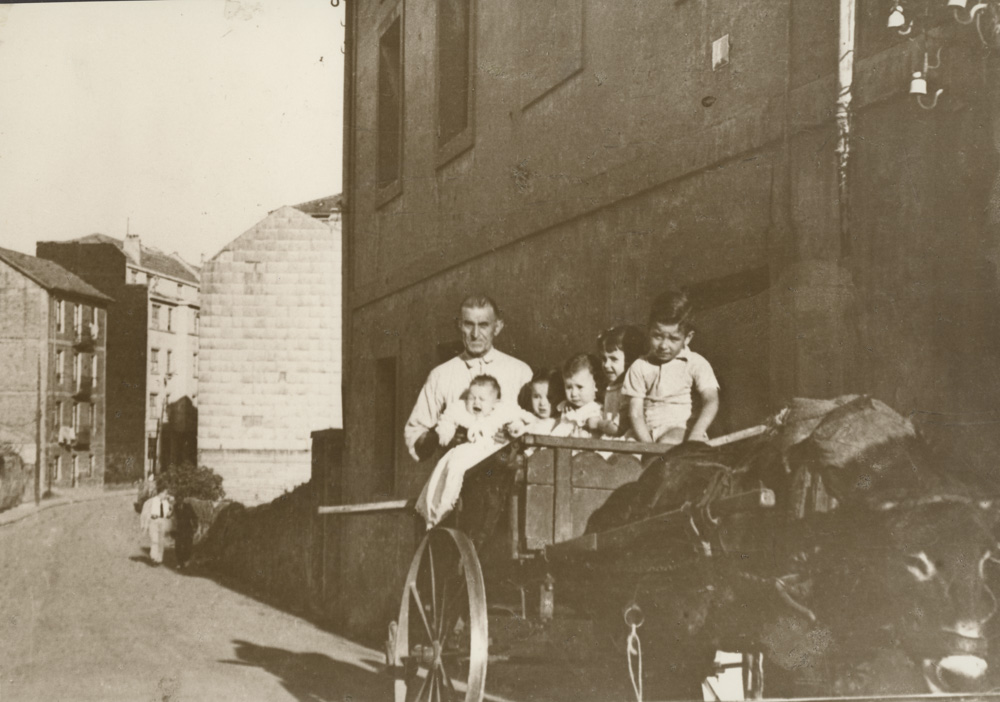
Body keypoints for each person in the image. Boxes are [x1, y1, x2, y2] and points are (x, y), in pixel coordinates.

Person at [404, 295, 533, 462]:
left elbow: (540, 425)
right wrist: (441, 439)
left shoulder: (520, 372)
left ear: (498, 326)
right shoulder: (441, 375)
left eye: (484, 325)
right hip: (457, 474)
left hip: (506, 478)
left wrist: (513, 437)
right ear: (459, 325)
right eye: (468, 324)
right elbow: (414, 433)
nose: (475, 334)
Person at [415, 375, 535, 527]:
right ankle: (445, 506)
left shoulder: (502, 410)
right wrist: (445, 434)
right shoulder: (460, 409)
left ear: (494, 402)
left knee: (494, 477)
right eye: (472, 398)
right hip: (468, 452)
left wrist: (515, 428)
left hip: (492, 455)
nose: (476, 402)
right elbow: (446, 421)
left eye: (482, 399)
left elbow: (526, 419)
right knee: (453, 469)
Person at [623, 290, 720, 446]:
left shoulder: (695, 363)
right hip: (644, 434)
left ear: (687, 338)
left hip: (680, 431)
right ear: (648, 331)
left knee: (670, 442)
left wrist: (695, 435)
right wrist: (648, 446)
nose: (663, 345)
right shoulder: (640, 367)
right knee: (622, 460)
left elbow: (711, 400)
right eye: (657, 336)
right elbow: (635, 413)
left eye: (673, 339)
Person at [587, 325, 646, 438]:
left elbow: (618, 428)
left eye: (613, 359)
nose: (606, 365)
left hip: (623, 441)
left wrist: (596, 423)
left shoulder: (629, 388)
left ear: (629, 360)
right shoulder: (611, 386)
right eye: (604, 359)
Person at [550, 354, 604, 439]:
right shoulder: (566, 407)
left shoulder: (595, 411)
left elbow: (595, 438)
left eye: (580, 387)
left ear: (595, 385)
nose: (573, 394)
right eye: (569, 387)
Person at [511, 368, 564, 436]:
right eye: (536, 396)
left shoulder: (563, 422)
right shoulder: (526, 420)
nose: (542, 403)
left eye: (549, 398)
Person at [141, 489, 174, 566]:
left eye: (166, 494)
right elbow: (145, 512)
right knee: (154, 539)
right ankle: (154, 557)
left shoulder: (166, 502)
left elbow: (168, 513)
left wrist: (170, 512)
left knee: (161, 540)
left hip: (163, 521)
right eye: (165, 493)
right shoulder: (152, 501)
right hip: (154, 521)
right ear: (160, 493)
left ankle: (159, 558)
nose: (166, 495)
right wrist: (146, 524)